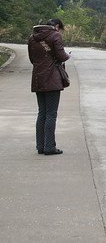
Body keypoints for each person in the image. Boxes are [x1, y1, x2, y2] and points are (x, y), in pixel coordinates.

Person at [28, 18, 70, 155]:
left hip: (38, 78)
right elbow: (61, 56)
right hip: (52, 78)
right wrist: (67, 56)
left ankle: (40, 146)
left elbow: (32, 59)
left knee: (42, 113)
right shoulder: (55, 35)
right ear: (57, 26)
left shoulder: (32, 37)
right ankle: (49, 147)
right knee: (51, 114)